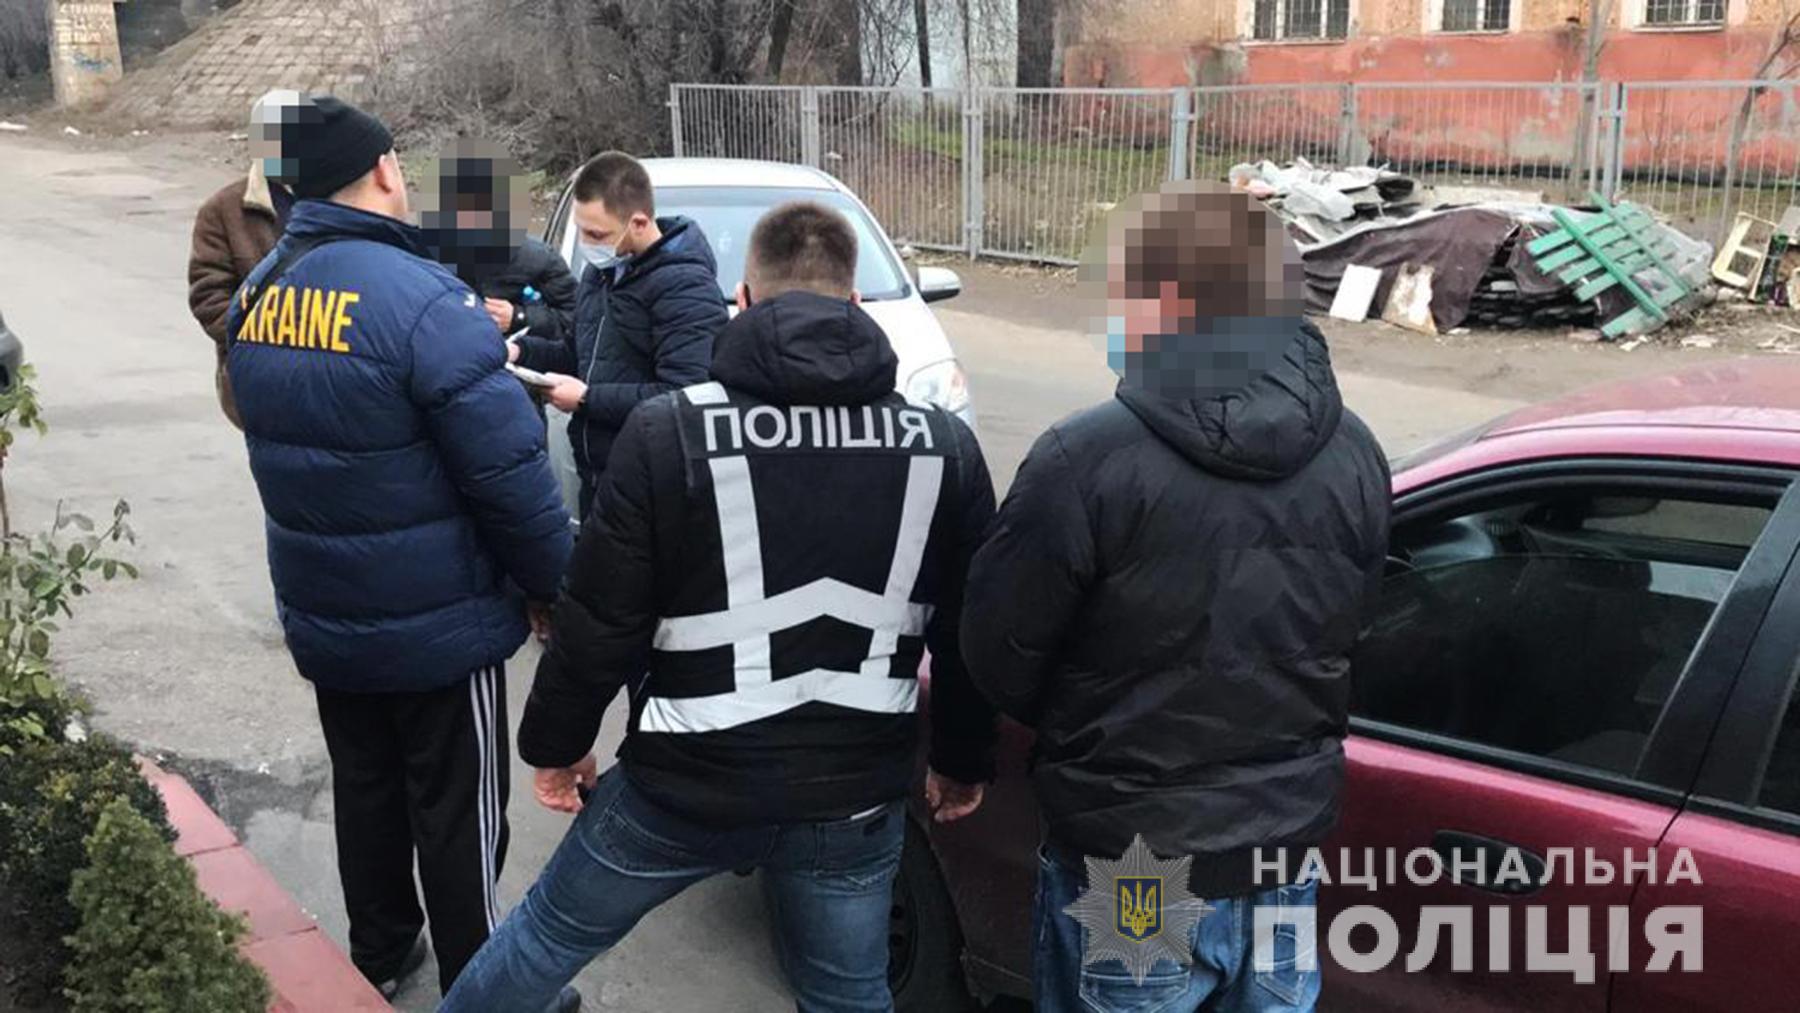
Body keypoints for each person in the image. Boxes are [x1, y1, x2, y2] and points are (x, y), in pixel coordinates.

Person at [441, 200, 1000, 1013]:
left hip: (682, 786)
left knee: (543, 940)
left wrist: (557, 747)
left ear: (742, 298)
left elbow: (599, 618)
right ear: (853, 303)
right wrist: (961, 758)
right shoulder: (942, 445)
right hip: (851, 794)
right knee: (848, 995)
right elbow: (971, 628)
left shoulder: (668, 432)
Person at [960, 185, 1392, 1013]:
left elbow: (998, 654)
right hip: (1283, 857)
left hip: (1139, 864)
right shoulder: (1358, 452)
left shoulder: (1084, 459)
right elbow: (1352, 628)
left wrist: (1094, 716)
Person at [224, 96, 576, 1006]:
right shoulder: (425, 301)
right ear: (383, 168)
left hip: (327, 609)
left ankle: (380, 952)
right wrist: (557, 588)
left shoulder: (259, 292)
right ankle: (484, 983)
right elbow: (509, 475)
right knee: (460, 814)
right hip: (439, 626)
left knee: (369, 789)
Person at [506, 150, 726, 519]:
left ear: (638, 223)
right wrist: (521, 353)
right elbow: (579, 354)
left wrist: (587, 400)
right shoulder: (601, 274)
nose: (588, 244)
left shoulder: (686, 288)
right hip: (599, 476)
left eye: (596, 234)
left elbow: (686, 396)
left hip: (655, 487)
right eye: (582, 230)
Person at [187, 90, 298, 428]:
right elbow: (209, 297)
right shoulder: (223, 210)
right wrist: (262, 345)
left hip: (333, 371)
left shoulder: (336, 198)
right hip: (259, 381)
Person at [421, 137, 577, 345]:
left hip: (518, 360)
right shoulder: (424, 259)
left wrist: (519, 317)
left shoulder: (538, 260)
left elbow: (577, 321)